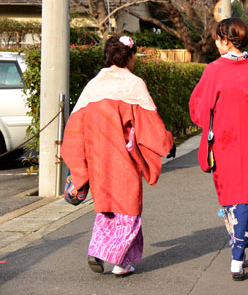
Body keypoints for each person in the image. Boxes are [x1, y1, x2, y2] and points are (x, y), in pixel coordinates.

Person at [61, 35, 174, 278]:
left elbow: (75, 128)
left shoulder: (93, 86)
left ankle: (100, 250)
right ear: (130, 57)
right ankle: (119, 262)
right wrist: (167, 141)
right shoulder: (133, 85)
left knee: (107, 209)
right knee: (129, 210)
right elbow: (149, 127)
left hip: (97, 159)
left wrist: (80, 167)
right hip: (123, 158)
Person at [189, 18, 248, 281]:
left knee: (232, 196)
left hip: (222, 143)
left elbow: (198, 109)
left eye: (216, 39)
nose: (215, 44)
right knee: (247, 194)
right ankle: (238, 253)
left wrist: (214, 120)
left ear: (225, 40)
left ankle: (237, 253)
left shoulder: (214, 71)